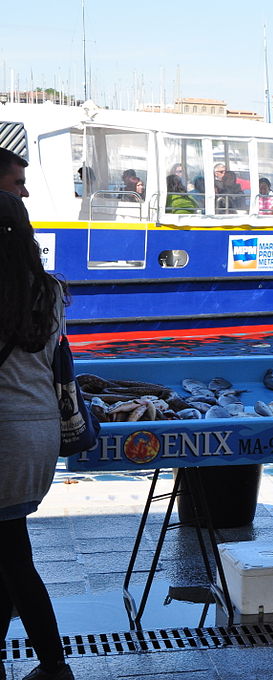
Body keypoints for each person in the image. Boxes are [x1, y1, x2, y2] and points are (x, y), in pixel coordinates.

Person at [0, 192, 75, 680]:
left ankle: (54, 664)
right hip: (39, 437)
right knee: (8, 551)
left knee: (15, 560)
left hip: (1, 438)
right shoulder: (49, 291)